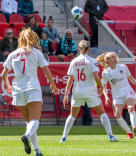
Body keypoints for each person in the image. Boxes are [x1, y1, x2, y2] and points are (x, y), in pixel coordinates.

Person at [1, 28, 58, 156]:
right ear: (32, 38)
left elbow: (4, 74)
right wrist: (52, 84)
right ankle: (26, 136)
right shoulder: (36, 52)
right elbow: (47, 70)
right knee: (35, 121)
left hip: (17, 90)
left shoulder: (13, 54)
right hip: (32, 87)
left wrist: (8, 85)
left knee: (30, 122)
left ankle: (37, 151)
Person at [60, 40, 118, 142]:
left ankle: (64, 137)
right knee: (102, 113)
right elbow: (96, 77)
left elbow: (70, 80)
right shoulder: (92, 61)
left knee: (72, 116)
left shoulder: (74, 61)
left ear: (79, 49)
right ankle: (111, 135)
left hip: (77, 92)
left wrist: (65, 94)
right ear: (88, 49)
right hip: (90, 91)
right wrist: (102, 87)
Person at [96, 52, 136, 139]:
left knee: (130, 107)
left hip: (127, 91)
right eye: (112, 57)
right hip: (117, 94)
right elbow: (104, 87)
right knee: (117, 115)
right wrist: (106, 96)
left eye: (115, 57)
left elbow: (130, 78)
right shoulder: (105, 73)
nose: (115, 59)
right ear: (107, 60)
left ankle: (134, 126)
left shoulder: (123, 67)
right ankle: (129, 133)